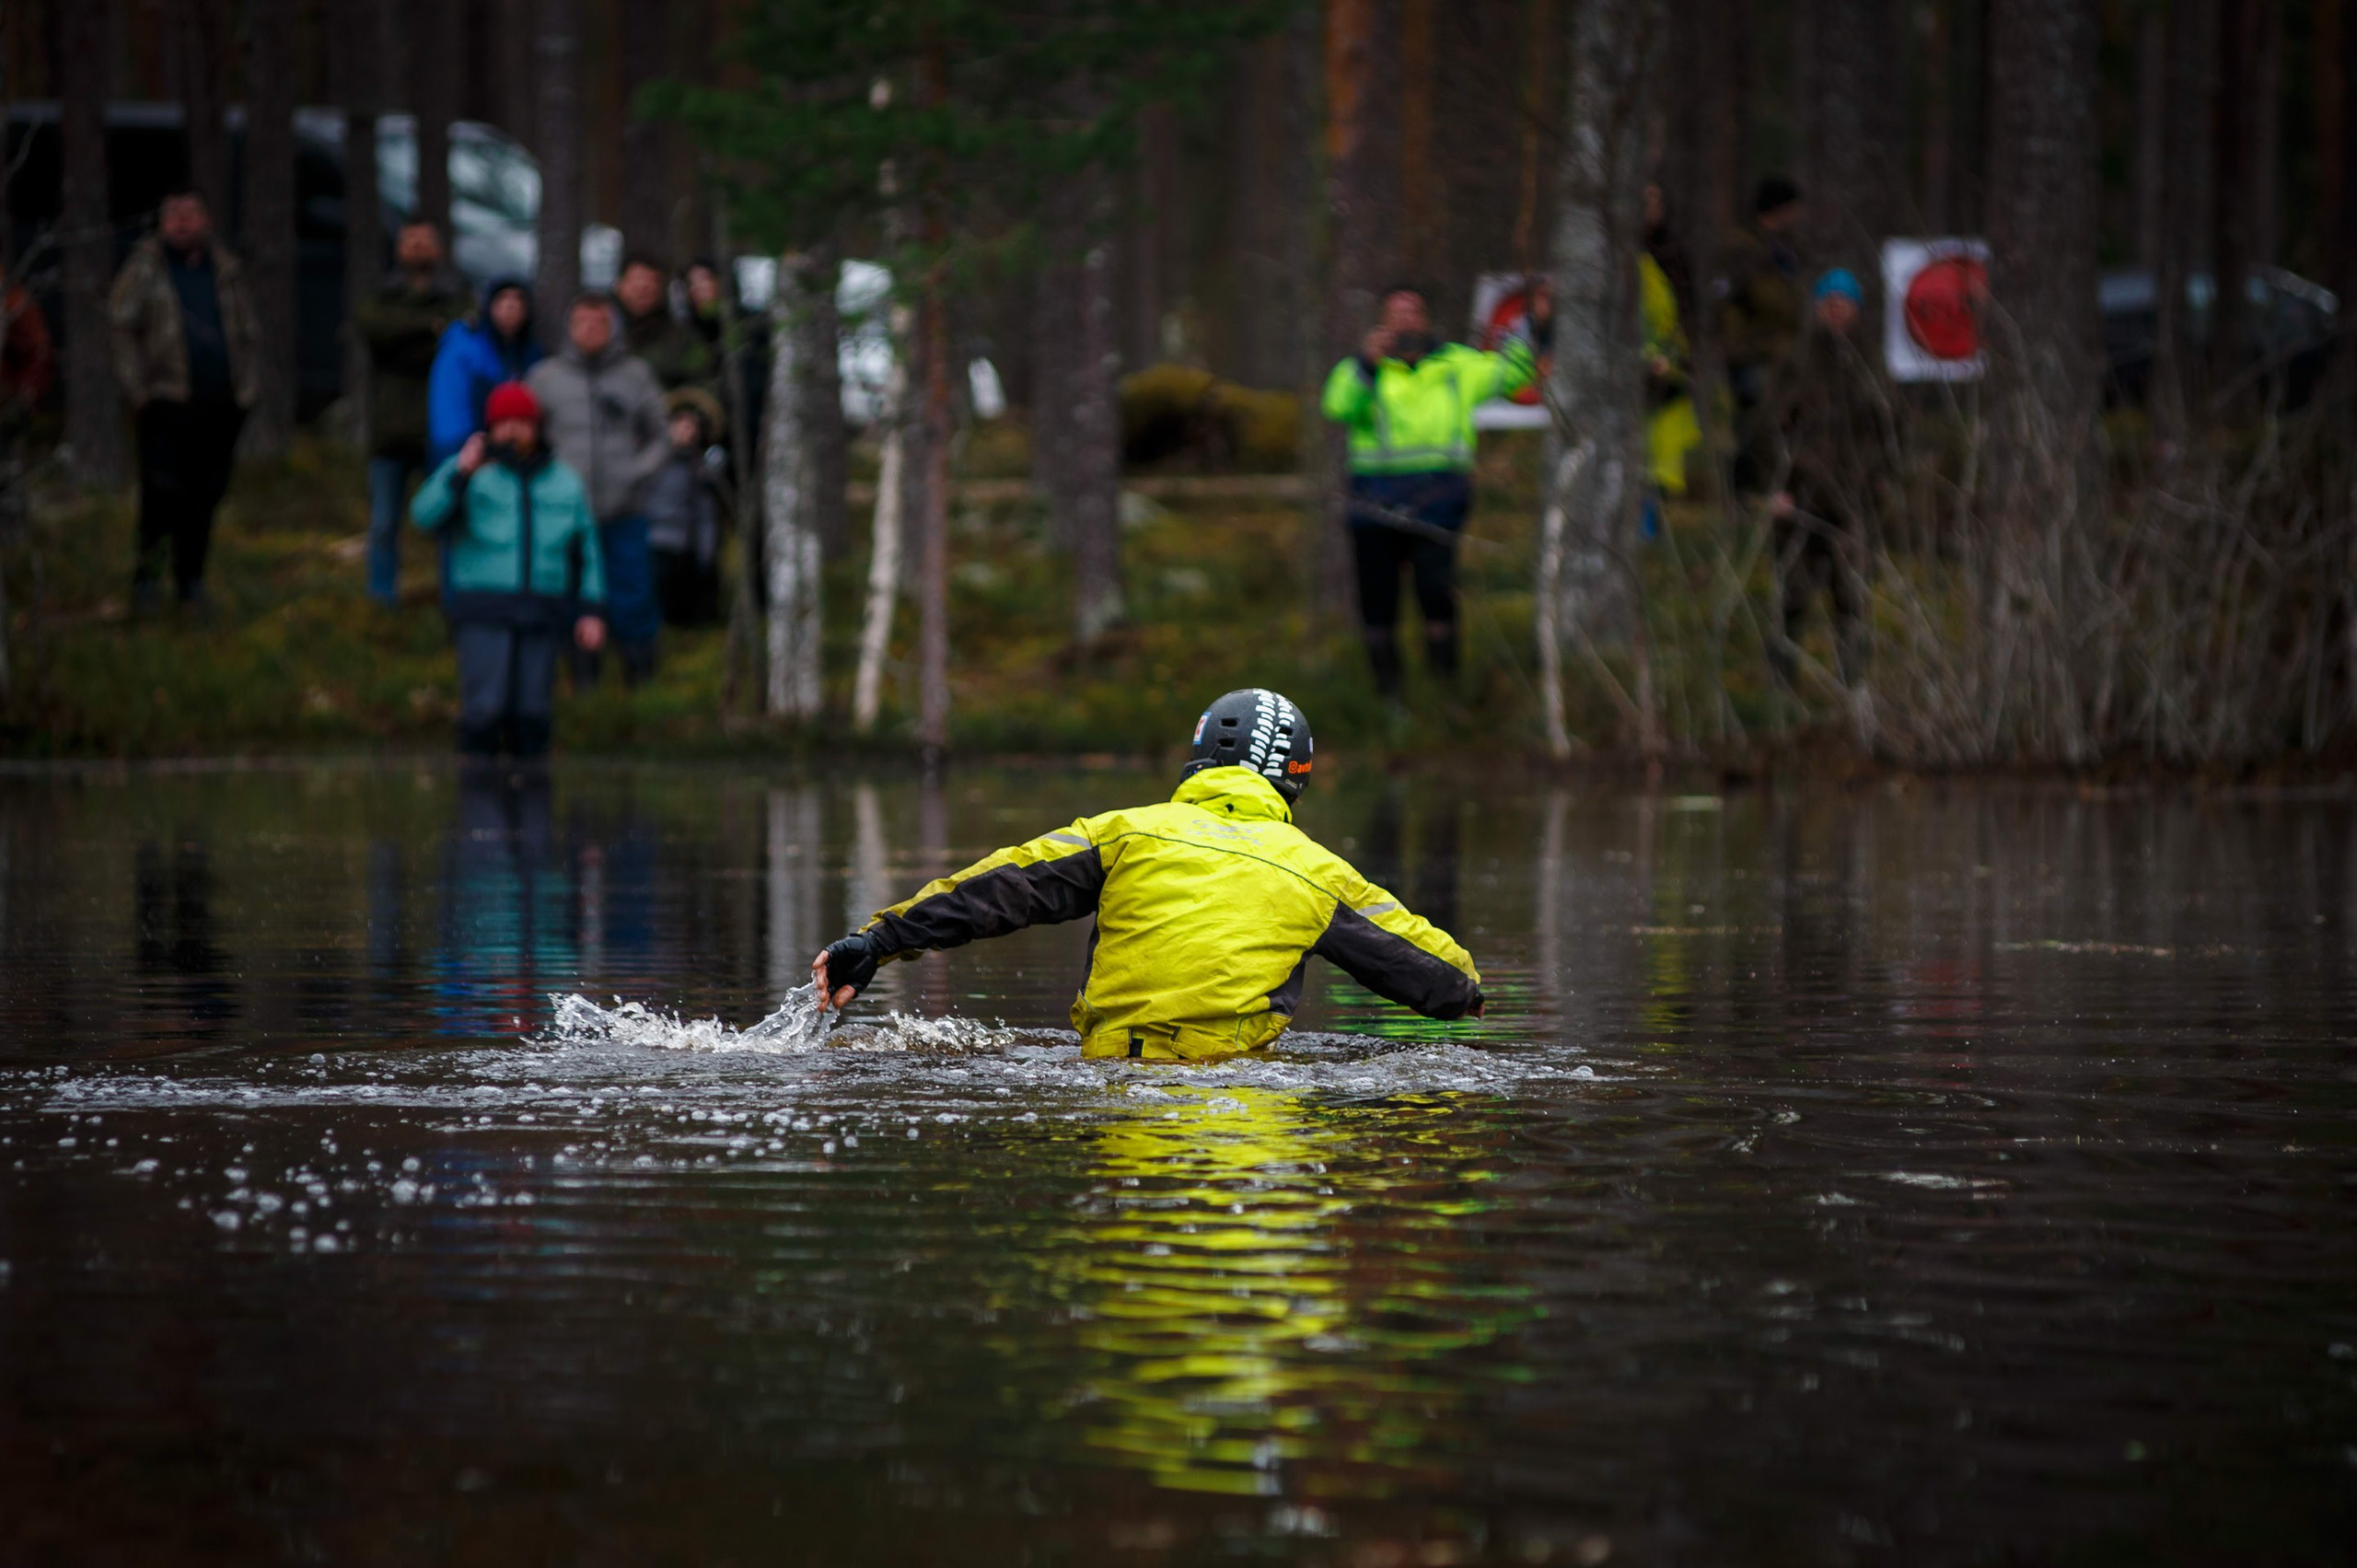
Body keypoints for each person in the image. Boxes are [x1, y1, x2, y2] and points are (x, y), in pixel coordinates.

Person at [811, 689, 1485, 1059]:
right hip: (1237, 1098)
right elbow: (1437, 975)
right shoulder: (1316, 873)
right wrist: (1468, 992)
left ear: (1197, 756)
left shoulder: (1125, 832)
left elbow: (997, 886)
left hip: (1111, 1088)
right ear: (1295, 781)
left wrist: (877, 941)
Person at [1320, 282, 1552, 698]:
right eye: (1397, 315)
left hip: (1439, 498)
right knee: (1378, 602)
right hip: (1373, 502)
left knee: (1436, 591)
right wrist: (1366, 367)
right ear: (1382, 324)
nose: (1407, 322)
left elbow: (1516, 375)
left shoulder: (1456, 365)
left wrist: (1532, 325)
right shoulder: (1362, 369)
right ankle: (1388, 698)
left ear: (1427, 319)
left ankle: (1444, 695)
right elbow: (1338, 406)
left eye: (1414, 312)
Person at [409, 381, 607, 758]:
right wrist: (461, 472)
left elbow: (588, 552)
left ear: (537, 427)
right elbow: (423, 517)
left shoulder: (565, 481)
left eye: (523, 422)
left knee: (532, 717)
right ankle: (479, 808)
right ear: (491, 428)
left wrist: (591, 611)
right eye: (505, 422)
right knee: (484, 711)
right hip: (484, 609)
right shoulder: (471, 472)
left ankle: (530, 809)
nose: (514, 431)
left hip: (542, 609)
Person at [108, 188, 260, 613]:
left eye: (189, 213)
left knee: (205, 496)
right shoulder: (145, 269)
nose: (181, 222)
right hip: (164, 403)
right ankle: (147, 584)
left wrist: (247, 389)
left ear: (206, 219)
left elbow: (247, 331)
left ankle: (191, 583)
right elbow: (121, 328)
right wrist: (138, 390)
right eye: (172, 214)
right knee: (160, 495)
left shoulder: (225, 269)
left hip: (219, 404)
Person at [1749, 268, 1893, 690]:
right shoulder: (1794, 362)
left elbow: (1891, 427)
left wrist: (1883, 478)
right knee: (1792, 593)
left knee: (1851, 595)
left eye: (1843, 304)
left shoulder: (1871, 366)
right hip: (1800, 497)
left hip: (1855, 500)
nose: (1835, 312)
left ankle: (1855, 685)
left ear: (1857, 310)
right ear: (1816, 309)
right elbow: (1767, 428)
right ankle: (1781, 685)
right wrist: (1776, 486)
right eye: (1828, 304)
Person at [528, 292, 668, 685]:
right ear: (570, 328)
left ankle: (640, 682)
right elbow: (526, 440)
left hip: (625, 510)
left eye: (599, 323)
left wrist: (637, 473)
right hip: (565, 516)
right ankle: (580, 681)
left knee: (633, 595)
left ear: (612, 328)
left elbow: (662, 436)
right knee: (571, 595)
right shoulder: (545, 378)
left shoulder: (636, 375)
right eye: (583, 322)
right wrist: (548, 486)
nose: (591, 330)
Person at [354, 220, 470, 604]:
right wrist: (430, 330)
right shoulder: (381, 296)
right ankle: (381, 600)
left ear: (438, 247)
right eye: (410, 240)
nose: (418, 246)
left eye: (425, 240)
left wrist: (403, 338)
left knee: (448, 521)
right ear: (398, 247)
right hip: (389, 432)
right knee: (384, 524)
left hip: (442, 433)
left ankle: (452, 599)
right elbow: (374, 328)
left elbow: (462, 337)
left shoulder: (457, 294)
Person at [426, 274, 543, 469]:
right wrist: (459, 460)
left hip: (515, 460)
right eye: (503, 299)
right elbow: (449, 411)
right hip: (468, 456)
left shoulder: (530, 354)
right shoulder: (464, 346)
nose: (510, 306)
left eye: (518, 300)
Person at [1720, 174, 1808, 418]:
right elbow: (1736, 304)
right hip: (1753, 357)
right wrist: (1740, 351)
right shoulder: (1744, 249)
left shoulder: (1788, 248)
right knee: (1756, 426)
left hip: (1782, 356)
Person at [644, 387, 728, 628]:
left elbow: (706, 516)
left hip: (682, 545)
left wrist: (706, 554)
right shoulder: (652, 461)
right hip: (650, 541)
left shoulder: (700, 470)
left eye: (691, 427)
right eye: (680, 424)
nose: (684, 431)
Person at [614, 254, 716, 394]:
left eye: (651, 282)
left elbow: (702, 385)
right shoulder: (601, 331)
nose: (643, 289)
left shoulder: (682, 339)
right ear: (619, 286)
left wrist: (687, 412)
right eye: (636, 280)